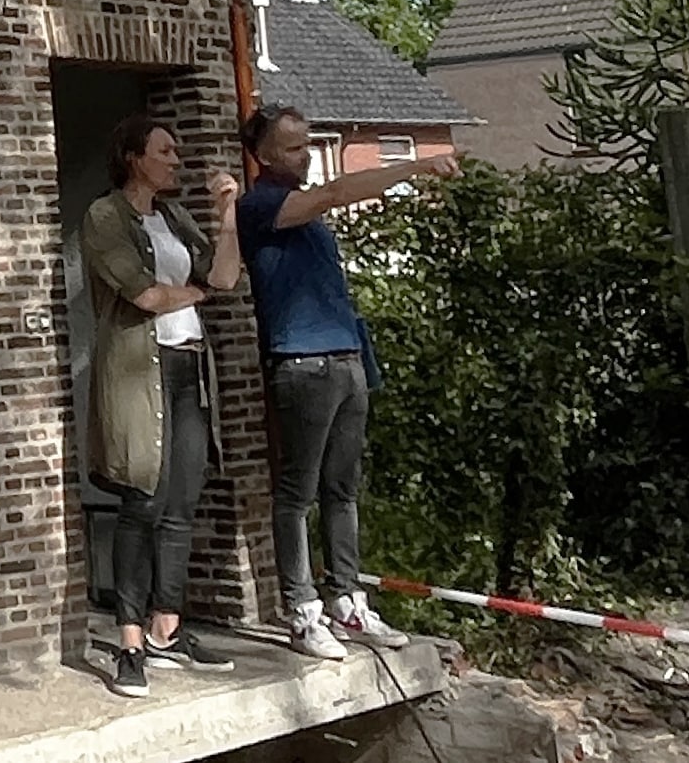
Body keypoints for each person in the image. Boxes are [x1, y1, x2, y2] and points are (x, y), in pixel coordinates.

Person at [236, 103, 455, 661]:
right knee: (297, 491)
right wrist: (413, 169)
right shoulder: (261, 205)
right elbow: (333, 194)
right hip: (301, 364)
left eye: (307, 144)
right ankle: (302, 609)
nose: (303, 154)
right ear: (262, 155)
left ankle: (348, 599)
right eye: (291, 147)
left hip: (345, 356)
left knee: (342, 487)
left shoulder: (307, 219)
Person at [77, 112, 244, 699]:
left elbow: (223, 278)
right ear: (134, 158)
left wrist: (228, 217)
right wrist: (192, 293)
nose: (176, 160)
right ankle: (128, 642)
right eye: (166, 151)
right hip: (136, 373)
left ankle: (166, 629)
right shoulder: (104, 216)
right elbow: (144, 295)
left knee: (182, 499)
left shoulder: (173, 216)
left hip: (187, 368)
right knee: (142, 500)